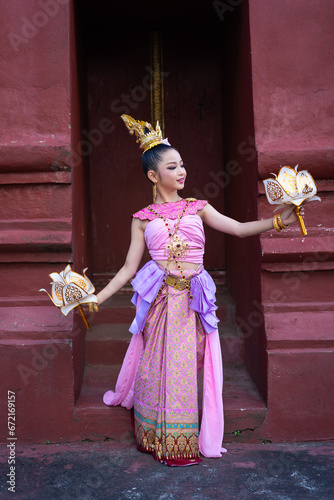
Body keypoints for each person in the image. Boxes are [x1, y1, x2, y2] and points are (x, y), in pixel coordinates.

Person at [96, 115, 299, 467]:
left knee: (187, 369)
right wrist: (94, 299)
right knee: (157, 369)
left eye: (182, 164)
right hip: (161, 301)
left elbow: (236, 228)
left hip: (194, 301)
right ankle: (155, 436)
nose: (181, 171)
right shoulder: (142, 217)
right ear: (153, 176)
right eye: (172, 166)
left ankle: (184, 442)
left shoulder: (198, 207)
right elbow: (130, 268)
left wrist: (279, 219)